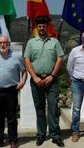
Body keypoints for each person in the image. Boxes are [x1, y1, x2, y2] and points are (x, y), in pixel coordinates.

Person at [23, 15, 65, 147]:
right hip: (36, 80)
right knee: (39, 108)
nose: (42, 28)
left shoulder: (54, 42)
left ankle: (55, 135)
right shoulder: (31, 42)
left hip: (51, 80)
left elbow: (59, 58)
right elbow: (27, 60)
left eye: (44, 26)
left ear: (47, 27)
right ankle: (41, 134)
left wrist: (52, 75)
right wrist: (34, 77)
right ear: (37, 27)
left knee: (53, 108)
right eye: (39, 26)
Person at [0, 36, 27, 148]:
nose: (3, 45)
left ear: (9, 44)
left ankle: (13, 141)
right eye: (0, 43)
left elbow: (24, 71)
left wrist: (22, 82)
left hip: (11, 91)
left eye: (5, 42)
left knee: (12, 117)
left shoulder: (17, 57)